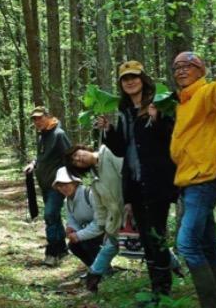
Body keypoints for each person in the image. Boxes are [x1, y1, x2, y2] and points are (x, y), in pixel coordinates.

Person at [97, 59, 179, 298]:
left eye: (134, 77)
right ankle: (158, 290)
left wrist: (157, 118)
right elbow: (122, 149)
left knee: (156, 236)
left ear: (143, 79)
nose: (130, 82)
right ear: (121, 84)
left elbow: (171, 140)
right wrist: (108, 130)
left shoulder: (160, 103)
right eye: (125, 79)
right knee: (146, 238)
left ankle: (162, 293)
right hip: (134, 183)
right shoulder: (125, 111)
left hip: (156, 183)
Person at [170, 52, 216, 308]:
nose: (181, 71)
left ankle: (209, 302)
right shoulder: (183, 103)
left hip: (203, 181)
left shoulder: (202, 94)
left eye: (188, 67)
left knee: (187, 243)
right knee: (207, 240)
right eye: (177, 68)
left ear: (200, 71)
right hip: (190, 181)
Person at [64, 144, 124, 293]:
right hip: (117, 220)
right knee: (111, 245)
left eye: (76, 154)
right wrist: (106, 227)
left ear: (83, 148)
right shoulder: (95, 182)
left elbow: (129, 175)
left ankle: (173, 270)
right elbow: (101, 215)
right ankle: (95, 275)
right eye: (75, 161)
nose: (78, 158)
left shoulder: (109, 153)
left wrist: (131, 202)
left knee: (151, 241)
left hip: (136, 209)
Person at [23, 105, 71, 266]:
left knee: (49, 215)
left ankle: (52, 252)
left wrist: (67, 182)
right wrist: (33, 164)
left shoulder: (59, 134)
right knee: (54, 217)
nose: (37, 121)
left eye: (40, 118)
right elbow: (41, 157)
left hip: (57, 185)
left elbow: (69, 157)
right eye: (34, 119)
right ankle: (62, 249)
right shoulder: (41, 136)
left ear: (48, 116)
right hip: (44, 184)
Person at [52, 167, 103, 270]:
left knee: (86, 242)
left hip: (105, 230)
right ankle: (94, 268)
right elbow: (72, 220)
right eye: (60, 185)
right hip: (91, 230)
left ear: (75, 183)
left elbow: (100, 222)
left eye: (66, 184)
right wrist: (71, 228)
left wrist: (79, 235)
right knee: (74, 246)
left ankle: (104, 269)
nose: (63, 188)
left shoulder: (90, 194)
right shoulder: (68, 202)